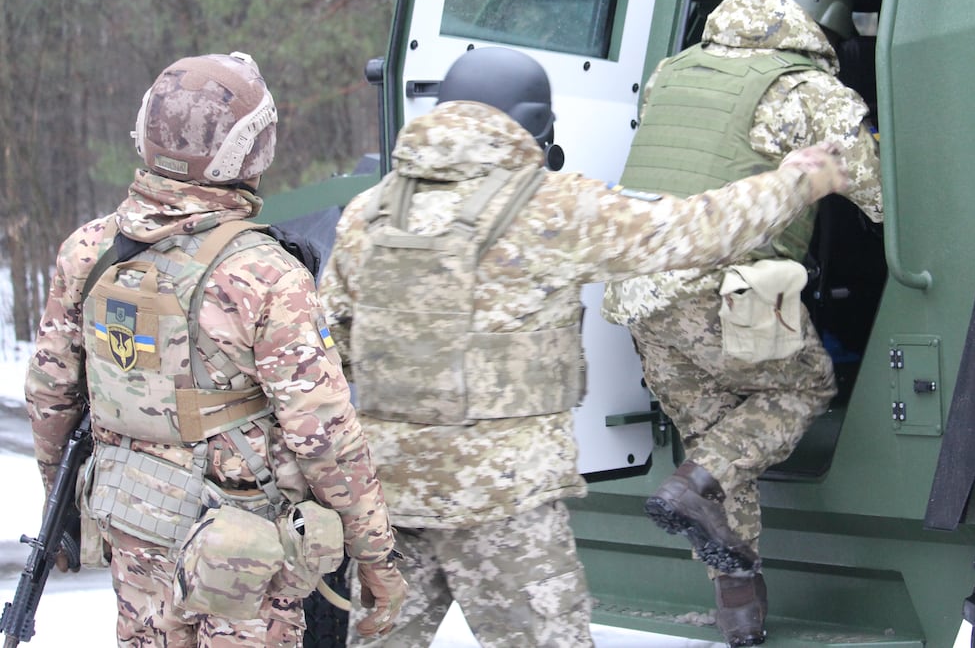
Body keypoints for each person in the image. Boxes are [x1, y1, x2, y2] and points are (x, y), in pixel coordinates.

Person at [318, 45, 851, 648]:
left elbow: (327, 348)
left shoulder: (371, 210)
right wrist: (795, 182)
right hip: (506, 505)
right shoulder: (549, 205)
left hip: (390, 499)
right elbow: (692, 231)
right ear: (533, 125)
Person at [25, 52, 407, 647]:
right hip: (241, 558)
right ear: (250, 151)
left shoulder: (89, 251)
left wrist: (62, 502)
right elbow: (326, 437)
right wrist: (376, 557)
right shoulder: (264, 274)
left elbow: (50, 393)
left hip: (134, 524)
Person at [601, 0, 884, 647]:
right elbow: (877, 196)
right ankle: (698, 480)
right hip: (736, 283)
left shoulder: (675, 71)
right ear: (823, 21)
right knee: (802, 387)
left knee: (720, 424)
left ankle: (738, 610)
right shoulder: (809, 87)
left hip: (637, 287)